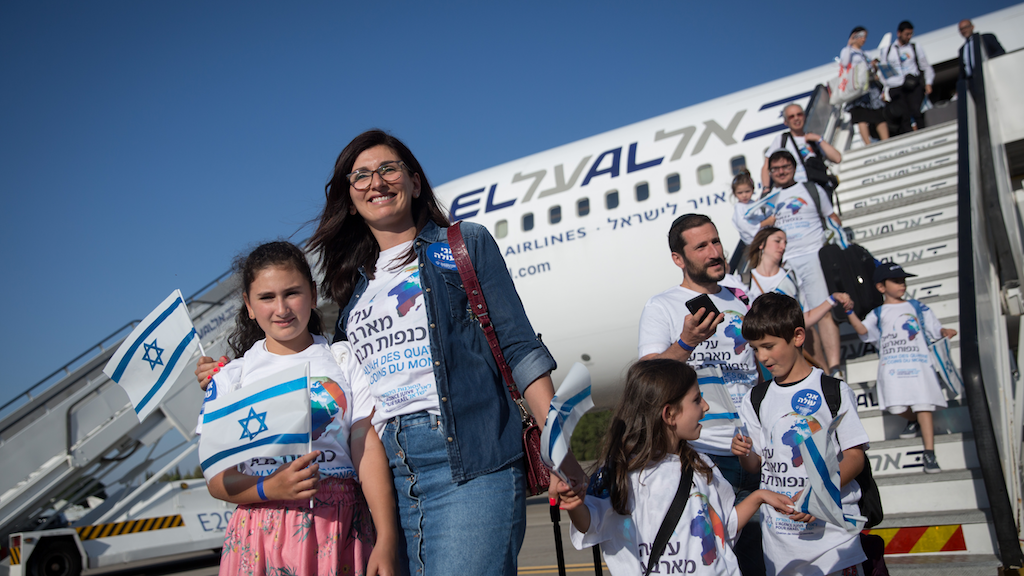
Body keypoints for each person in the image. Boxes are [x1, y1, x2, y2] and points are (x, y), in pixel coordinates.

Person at [200, 130, 585, 576]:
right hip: (387, 478)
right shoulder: (353, 290)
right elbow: (314, 374)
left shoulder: (462, 244)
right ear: (350, 198)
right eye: (361, 176)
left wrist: (558, 448)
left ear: (415, 182)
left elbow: (519, 347)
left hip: (468, 461)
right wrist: (229, 377)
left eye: (388, 169)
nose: (376, 182)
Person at [198, 241, 398, 576]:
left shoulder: (344, 360)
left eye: (292, 293)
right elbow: (216, 479)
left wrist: (387, 536)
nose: (281, 308)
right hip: (260, 536)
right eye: (266, 297)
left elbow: (366, 447)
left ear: (313, 294)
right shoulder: (231, 378)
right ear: (248, 305)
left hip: (340, 526)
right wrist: (270, 488)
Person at [555, 359, 798, 576]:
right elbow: (590, 523)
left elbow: (723, 527)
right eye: (696, 399)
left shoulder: (702, 466)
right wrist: (575, 504)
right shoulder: (619, 473)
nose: (706, 406)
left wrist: (759, 497)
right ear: (669, 414)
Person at [637, 213, 765, 575]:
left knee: (762, 563)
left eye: (716, 242)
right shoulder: (662, 306)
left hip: (756, 451)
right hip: (706, 456)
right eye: (701, 247)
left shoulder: (740, 300)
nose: (714, 252)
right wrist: (686, 342)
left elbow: (758, 369)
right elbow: (647, 376)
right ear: (678, 258)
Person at [732, 293, 870, 576]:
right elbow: (756, 465)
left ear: (797, 336)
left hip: (834, 544)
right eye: (755, 349)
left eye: (768, 346)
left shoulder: (833, 391)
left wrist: (816, 495)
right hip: (780, 547)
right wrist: (744, 453)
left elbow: (855, 458)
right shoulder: (755, 398)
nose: (762, 357)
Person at [846, 263, 957, 473]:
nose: (902, 285)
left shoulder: (917, 307)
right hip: (893, 368)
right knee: (895, 406)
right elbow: (862, 330)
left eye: (903, 281)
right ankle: (913, 420)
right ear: (881, 287)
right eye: (896, 281)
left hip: (919, 364)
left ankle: (930, 452)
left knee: (924, 404)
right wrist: (849, 311)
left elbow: (934, 327)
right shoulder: (878, 313)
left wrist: (944, 331)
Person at [763, 151, 845, 379]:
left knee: (824, 311)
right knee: (800, 320)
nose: (781, 171)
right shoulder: (769, 200)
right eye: (776, 168)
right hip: (786, 263)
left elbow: (832, 217)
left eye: (785, 166)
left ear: (794, 167)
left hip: (814, 256)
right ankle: (822, 371)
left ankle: (836, 368)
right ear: (770, 172)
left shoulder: (812, 189)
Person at [745, 227, 853, 329]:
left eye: (785, 243)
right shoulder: (743, 281)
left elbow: (804, 319)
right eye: (777, 241)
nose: (783, 247)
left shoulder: (792, 277)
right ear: (761, 244)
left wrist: (832, 299)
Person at [759, 103, 841, 192]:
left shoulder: (813, 139)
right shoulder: (782, 139)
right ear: (786, 122)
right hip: (796, 189)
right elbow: (766, 167)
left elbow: (837, 159)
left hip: (817, 188)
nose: (796, 118)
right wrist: (766, 189)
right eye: (791, 117)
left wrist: (819, 139)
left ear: (804, 117)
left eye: (799, 114)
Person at [882, 21, 934, 134]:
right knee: (903, 115)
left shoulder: (914, 47)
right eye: (907, 34)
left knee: (916, 110)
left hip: (912, 85)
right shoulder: (887, 50)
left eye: (911, 34)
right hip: (896, 86)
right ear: (899, 33)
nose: (909, 37)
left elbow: (925, 66)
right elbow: (885, 73)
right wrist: (884, 90)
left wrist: (928, 82)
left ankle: (924, 133)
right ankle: (909, 136)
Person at [840, 27, 890, 146]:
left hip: (870, 86)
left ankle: (886, 140)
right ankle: (867, 143)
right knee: (862, 116)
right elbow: (844, 63)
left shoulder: (866, 54)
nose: (864, 39)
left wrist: (873, 66)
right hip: (858, 87)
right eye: (861, 36)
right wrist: (849, 44)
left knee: (878, 114)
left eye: (865, 37)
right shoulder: (848, 51)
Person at [731, 170, 767, 247]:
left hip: (762, 237)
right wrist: (766, 222)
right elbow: (744, 225)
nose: (744, 195)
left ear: (753, 190)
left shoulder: (753, 203)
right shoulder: (739, 208)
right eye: (740, 193)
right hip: (753, 243)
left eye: (747, 191)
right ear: (734, 193)